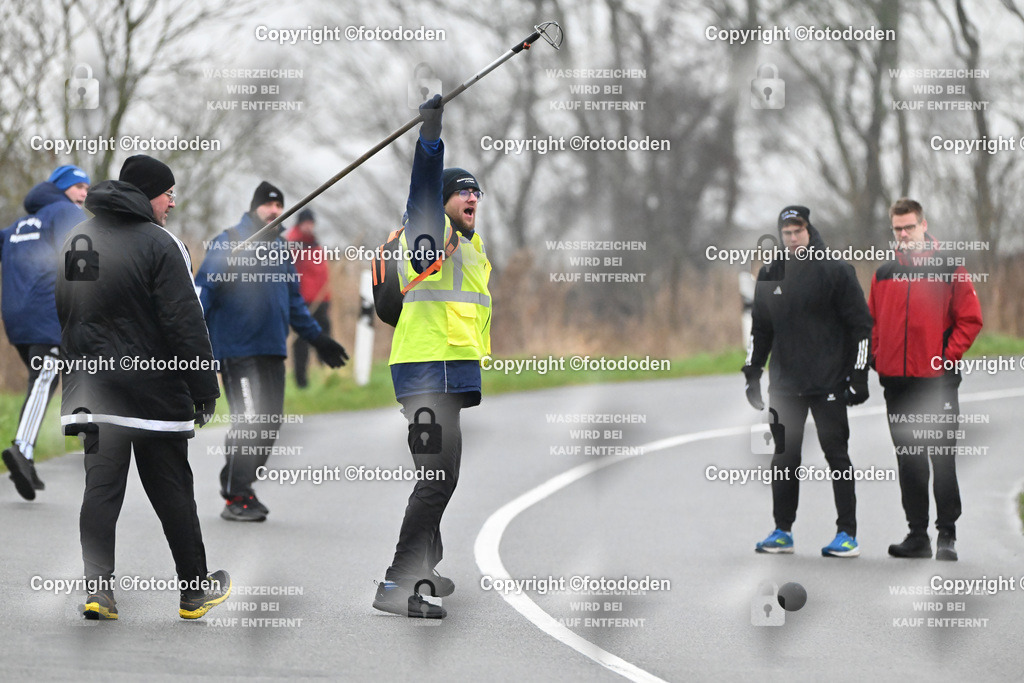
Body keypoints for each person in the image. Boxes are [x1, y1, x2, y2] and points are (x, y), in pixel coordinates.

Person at [55, 154, 230, 620]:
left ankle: (99, 591)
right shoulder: (161, 244)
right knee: (172, 489)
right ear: (148, 193)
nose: (172, 203)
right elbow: (185, 324)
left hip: (94, 392)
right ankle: (194, 592)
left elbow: (68, 314)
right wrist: (203, 388)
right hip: (152, 395)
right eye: (168, 193)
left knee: (101, 489)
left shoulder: (77, 238)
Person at [372, 95, 491, 619]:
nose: (472, 196)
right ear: (441, 202)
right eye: (462, 190)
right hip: (426, 375)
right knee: (436, 478)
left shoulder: (467, 244)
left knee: (444, 476)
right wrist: (431, 137)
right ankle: (398, 583)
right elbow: (423, 187)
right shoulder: (428, 235)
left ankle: (425, 563)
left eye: (476, 191)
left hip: (445, 376)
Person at [194, 182, 348, 522]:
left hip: (273, 350)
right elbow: (202, 291)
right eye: (268, 206)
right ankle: (236, 496)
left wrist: (318, 338)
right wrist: (191, 341)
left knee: (269, 424)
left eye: (279, 207)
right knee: (249, 421)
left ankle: (241, 486)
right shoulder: (230, 241)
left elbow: (294, 303)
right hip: (237, 350)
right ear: (254, 208)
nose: (274, 211)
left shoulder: (281, 249)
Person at [743, 205, 873, 558]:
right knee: (784, 457)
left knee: (837, 456)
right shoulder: (771, 273)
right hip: (785, 386)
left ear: (809, 230)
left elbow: (862, 327)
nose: (792, 238)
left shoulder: (836, 271)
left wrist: (859, 376)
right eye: (786, 233)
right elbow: (760, 329)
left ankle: (847, 533)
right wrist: (752, 372)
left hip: (828, 382)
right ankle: (782, 530)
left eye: (797, 231)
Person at [869, 198, 982, 561]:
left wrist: (943, 356)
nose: (904, 234)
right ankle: (917, 534)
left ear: (923, 225)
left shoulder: (949, 267)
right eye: (897, 229)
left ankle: (946, 535)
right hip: (897, 384)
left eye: (909, 227)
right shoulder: (884, 273)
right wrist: (876, 357)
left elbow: (970, 319)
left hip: (937, 383)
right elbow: (870, 323)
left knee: (941, 459)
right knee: (909, 460)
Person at [0, 165, 89, 499]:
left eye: (87, 188)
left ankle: (29, 458)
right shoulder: (65, 213)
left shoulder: (19, 225)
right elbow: (83, 262)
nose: (84, 193)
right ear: (61, 189)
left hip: (17, 321)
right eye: (79, 186)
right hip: (48, 316)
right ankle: (22, 450)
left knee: (40, 383)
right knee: (45, 378)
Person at [284, 208, 332, 388]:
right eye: (306, 223)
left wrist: (327, 298)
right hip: (302, 301)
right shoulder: (292, 244)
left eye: (311, 223)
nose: (309, 227)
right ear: (299, 223)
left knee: (324, 337)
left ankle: (327, 376)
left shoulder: (314, 243)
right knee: (301, 342)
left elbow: (321, 272)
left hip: (321, 299)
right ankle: (301, 382)